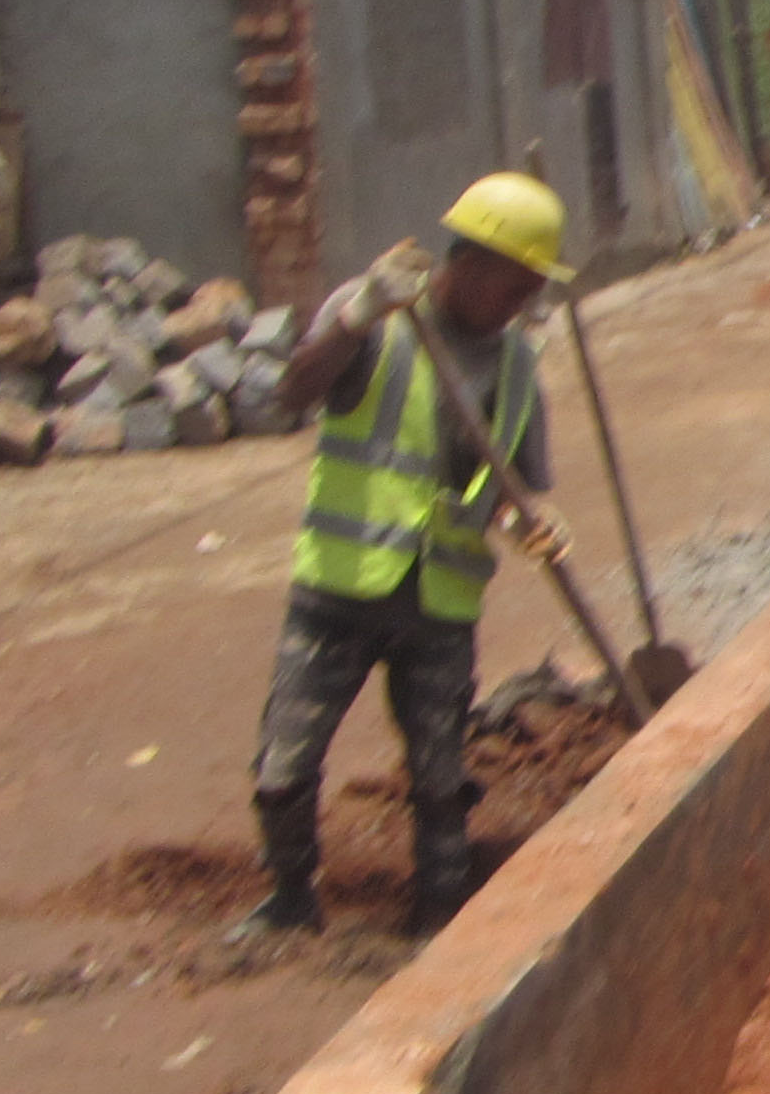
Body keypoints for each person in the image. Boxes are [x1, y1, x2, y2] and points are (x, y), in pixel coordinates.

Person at [242, 171, 569, 940]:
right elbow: (290, 395)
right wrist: (355, 316)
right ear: (473, 262)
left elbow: (517, 486)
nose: (522, 301)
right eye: (516, 283)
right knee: (282, 770)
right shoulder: (380, 323)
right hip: (339, 592)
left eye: (533, 288)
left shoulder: (518, 365)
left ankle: (439, 912)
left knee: (440, 779)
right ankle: (289, 899)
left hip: (440, 604)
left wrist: (538, 524)